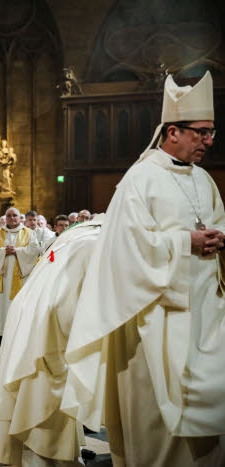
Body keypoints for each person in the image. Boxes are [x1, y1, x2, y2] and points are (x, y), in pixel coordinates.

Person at [62, 71, 225, 466]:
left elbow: (215, 221)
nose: (209, 140)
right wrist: (183, 242)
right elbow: (123, 248)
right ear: (173, 131)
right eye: (201, 132)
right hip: (153, 317)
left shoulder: (204, 179)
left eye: (212, 132)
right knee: (156, 421)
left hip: (206, 313)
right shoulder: (140, 179)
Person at [0, 215, 104, 466]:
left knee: (38, 392)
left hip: (33, 312)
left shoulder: (83, 234)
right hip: (49, 323)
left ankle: (60, 451)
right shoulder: (97, 241)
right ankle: (47, 456)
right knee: (46, 396)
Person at [0, 208, 40, 343]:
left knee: (17, 304)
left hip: (21, 275)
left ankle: (17, 334)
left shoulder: (29, 233)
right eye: (8, 215)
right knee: (0, 305)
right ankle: (0, 334)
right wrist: (4, 251)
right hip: (2, 275)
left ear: (19, 217)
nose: (12, 218)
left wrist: (17, 251)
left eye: (14, 215)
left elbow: (34, 250)